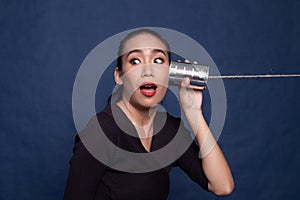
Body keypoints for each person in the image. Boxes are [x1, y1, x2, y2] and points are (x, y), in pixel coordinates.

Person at [64, 29, 234, 200]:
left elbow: (222, 186)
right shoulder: (101, 132)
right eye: (135, 61)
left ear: (170, 74)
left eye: (158, 60)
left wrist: (194, 112)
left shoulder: (170, 130)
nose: (148, 71)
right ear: (119, 76)